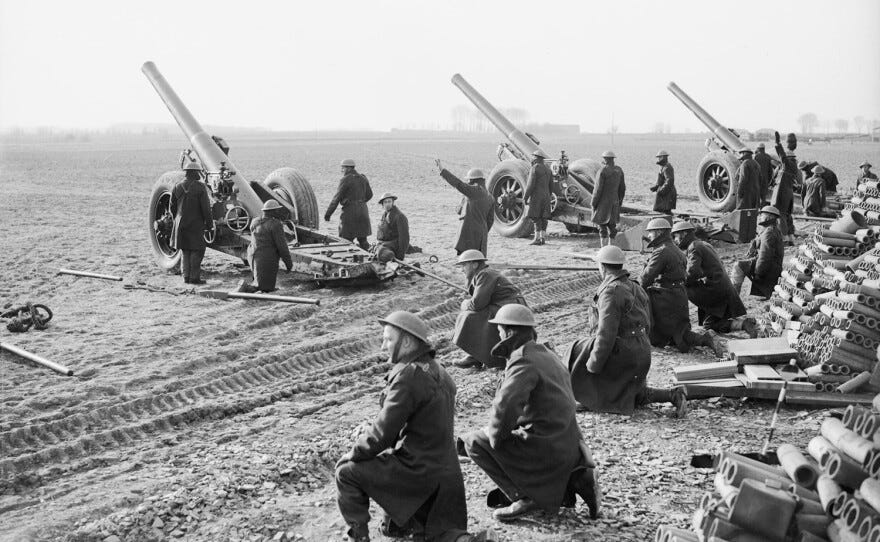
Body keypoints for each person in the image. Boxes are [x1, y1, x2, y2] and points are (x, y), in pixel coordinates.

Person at [335, 311, 484, 542]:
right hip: (445, 472)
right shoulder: (438, 370)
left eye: (388, 339)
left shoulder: (408, 375)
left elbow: (382, 435)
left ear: (406, 342)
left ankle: (359, 538)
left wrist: (352, 454)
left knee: (346, 473)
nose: (383, 346)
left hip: (418, 470)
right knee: (436, 534)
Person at [459, 304, 600, 522]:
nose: (497, 334)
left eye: (499, 330)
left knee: (473, 442)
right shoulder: (546, 353)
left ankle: (525, 497)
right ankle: (577, 477)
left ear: (508, 332)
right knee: (494, 437)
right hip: (568, 441)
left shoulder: (522, 360)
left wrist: (494, 437)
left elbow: (505, 408)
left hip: (546, 446)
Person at [563, 245, 688, 417]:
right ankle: (672, 394)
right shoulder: (635, 286)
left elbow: (606, 335)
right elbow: (648, 323)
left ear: (603, 267)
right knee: (631, 393)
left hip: (625, 354)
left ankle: (588, 399)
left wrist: (594, 364)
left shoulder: (611, 292)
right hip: (641, 351)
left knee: (577, 350)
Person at [639, 218, 724, 356]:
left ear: (659, 232)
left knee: (645, 300)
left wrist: (634, 288)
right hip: (679, 296)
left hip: (665, 299)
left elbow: (645, 279)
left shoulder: (661, 251)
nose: (648, 236)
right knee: (680, 333)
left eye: (650, 232)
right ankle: (705, 339)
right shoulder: (676, 250)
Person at [670, 221, 756, 337]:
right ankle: (744, 323)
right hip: (721, 287)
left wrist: (676, 280)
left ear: (684, 233)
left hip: (716, 290)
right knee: (710, 323)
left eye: (675, 236)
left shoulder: (694, 247)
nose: (675, 240)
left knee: (684, 287)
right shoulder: (702, 244)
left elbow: (692, 273)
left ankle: (744, 324)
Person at [452, 250, 526, 369]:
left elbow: (477, 304)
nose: (462, 269)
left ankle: (482, 357)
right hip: (507, 305)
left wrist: (464, 303)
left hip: (511, 306)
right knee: (475, 315)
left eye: (464, 265)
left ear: (474, 264)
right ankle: (477, 356)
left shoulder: (485, 274)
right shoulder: (483, 274)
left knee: (470, 316)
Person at [435, 160, 494, 255]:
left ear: (472, 180)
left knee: (468, 259)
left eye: (468, 180)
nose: (467, 182)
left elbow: (458, 184)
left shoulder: (474, 191)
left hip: (470, 233)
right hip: (482, 235)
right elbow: (490, 220)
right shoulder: (490, 197)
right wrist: (484, 232)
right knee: (478, 258)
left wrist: (443, 171)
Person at [170, 160, 214, 284]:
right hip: (195, 224)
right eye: (198, 172)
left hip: (180, 224)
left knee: (185, 250)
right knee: (197, 250)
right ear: (194, 173)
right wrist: (210, 225)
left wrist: (177, 220)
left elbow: (171, 207)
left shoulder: (177, 186)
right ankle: (194, 278)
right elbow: (206, 208)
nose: (199, 174)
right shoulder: (200, 187)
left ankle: (186, 277)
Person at [730, 206, 785, 299]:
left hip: (769, 269)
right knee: (741, 265)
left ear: (769, 217)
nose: (760, 217)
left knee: (738, 266)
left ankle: (733, 299)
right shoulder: (771, 229)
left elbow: (765, 255)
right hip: (772, 267)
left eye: (762, 215)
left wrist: (758, 272)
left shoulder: (769, 232)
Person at [244, 200, 292, 292]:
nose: (278, 212)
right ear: (272, 212)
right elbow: (282, 247)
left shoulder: (255, 221)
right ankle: (246, 289)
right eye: (277, 210)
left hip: (252, 256)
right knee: (265, 289)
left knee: (258, 282)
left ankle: (248, 289)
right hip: (266, 259)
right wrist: (288, 264)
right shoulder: (275, 224)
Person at [325, 158, 373, 250]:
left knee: (345, 240)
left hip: (350, 214)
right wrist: (360, 202)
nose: (341, 170)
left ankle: (348, 261)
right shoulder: (363, 178)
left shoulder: (345, 179)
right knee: (363, 240)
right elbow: (370, 195)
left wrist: (328, 214)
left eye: (342, 168)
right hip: (363, 212)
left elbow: (336, 198)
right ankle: (370, 258)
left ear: (348, 168)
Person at [592, 151, 626, 246]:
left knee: (602, 226)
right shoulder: (619, 170)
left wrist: (593, 203)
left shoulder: (602, 171)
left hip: (603, 204)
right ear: (613, 159)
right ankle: (612, 247)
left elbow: (597, 190)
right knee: (612, 227)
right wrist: (619, 201)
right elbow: (622, 188)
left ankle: (604, 249)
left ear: (605, 159)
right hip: (615, 203)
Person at [771, 131, 797, 245]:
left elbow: (782, 155)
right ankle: (791, 237)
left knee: (781, 214)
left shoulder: (787, 164)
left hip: (782, 193)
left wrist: (777, 143)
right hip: (789, 193)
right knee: (787, 215)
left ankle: (784, 238)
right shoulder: (793, 166)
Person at [524, 149, 553, 246]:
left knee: (536, 218)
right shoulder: (548, 170)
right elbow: (551, 187)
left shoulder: (535, 168)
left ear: (536, 158)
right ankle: (543, 238)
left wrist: (525, 197)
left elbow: (530, 185)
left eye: (533, 157)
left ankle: (536, 239)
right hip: (547, 197)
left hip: (537, 197)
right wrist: (548, 195)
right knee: (544, 218)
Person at [374, 192, 409, 264]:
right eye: (385, 202)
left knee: (382, 252)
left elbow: (404, 238)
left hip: (394, 246)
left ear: (393, 202)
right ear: (382, 204)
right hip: (385, 244)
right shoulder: (385, 214)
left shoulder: (399, 216)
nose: (387, 204)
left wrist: (400, 255)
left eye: (389, 201)